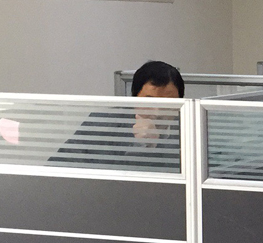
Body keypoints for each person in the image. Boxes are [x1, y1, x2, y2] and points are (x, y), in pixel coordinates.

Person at [50, 61, 184, 171]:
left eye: (168, 104)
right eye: (150, 102)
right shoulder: (104, 123)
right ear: (134, 98)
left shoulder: (188, 132)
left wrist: (153, 146)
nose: (157, 112)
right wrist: (142, 145)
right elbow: (57, 167)